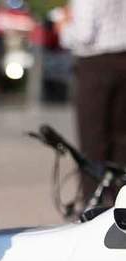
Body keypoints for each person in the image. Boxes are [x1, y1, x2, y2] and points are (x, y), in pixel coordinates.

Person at [56, 0, 126, 202]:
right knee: (121, 138)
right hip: (123, 59)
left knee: (93, 139)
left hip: (95, 64)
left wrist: (62, 27)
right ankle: (120, 200)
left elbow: (83, 35)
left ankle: (96, 203)